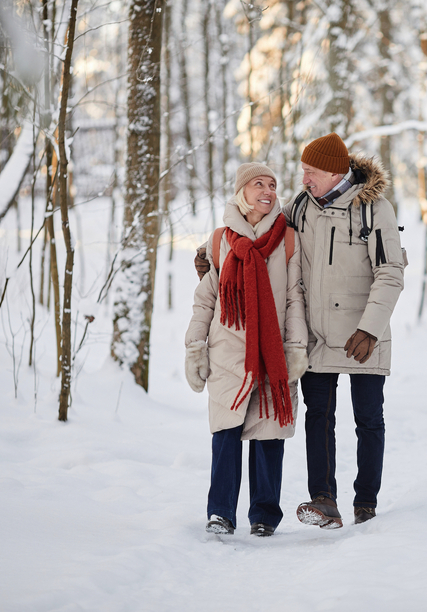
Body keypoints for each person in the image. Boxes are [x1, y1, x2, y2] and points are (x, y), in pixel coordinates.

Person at [195, 133, 405, 528]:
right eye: (303, 172)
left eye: (310, 172)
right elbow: (262, 231)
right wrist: (213, 256)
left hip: (363, 334)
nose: (303, 179)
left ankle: (366, 504)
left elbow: (391, 272)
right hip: (316, 335)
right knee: (319, 416)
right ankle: (324, 500)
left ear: (334, 172)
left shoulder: (374, 209)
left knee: (368, 419)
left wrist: (371, 328)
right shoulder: (301, 208)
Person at [185, 162, 308, 537]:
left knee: (268, 433)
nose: (268, 191)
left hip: (272, 351)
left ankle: (264, 516)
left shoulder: (287, 238)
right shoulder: (221, 239)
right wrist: (195, 347)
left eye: (272, 184)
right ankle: (221, 512)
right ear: (242, 192)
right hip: (228, 350)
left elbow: (293, 298)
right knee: (225, 432)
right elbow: (206, 299)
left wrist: (296, 346)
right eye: (259, 184)